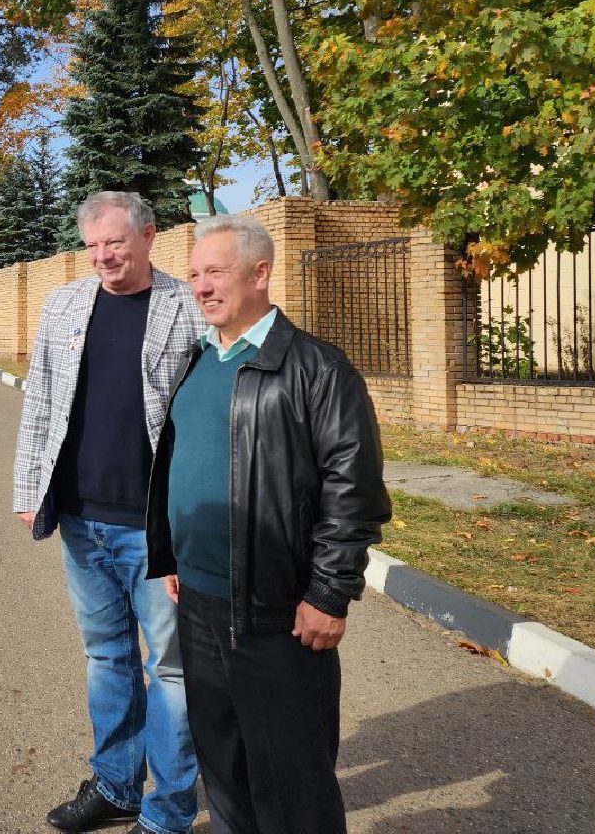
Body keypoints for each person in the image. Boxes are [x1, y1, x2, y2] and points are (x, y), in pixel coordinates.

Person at [145, 215, 391, 834]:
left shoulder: (316, 369)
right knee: (224, 768)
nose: (200, 285)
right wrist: (172, 554)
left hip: (277, 611)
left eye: (215, 271)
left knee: (291, 779)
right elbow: (181, 464)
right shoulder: (198, 363)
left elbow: (353, 490)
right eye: (195, 273)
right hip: (198, 603)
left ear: (261, 273)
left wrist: (329, 592)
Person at [13, 191, 205, 834]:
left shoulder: (188, 306)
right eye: (93, 246)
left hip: (156, 521)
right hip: (78, 514)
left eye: (115, 243)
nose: (103, 257)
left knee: (170, 667)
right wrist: (28, 487)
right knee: (105, 656)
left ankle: (170, 810)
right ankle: (118, 786)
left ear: (149, 236)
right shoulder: (65, 303)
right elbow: (40, 396)